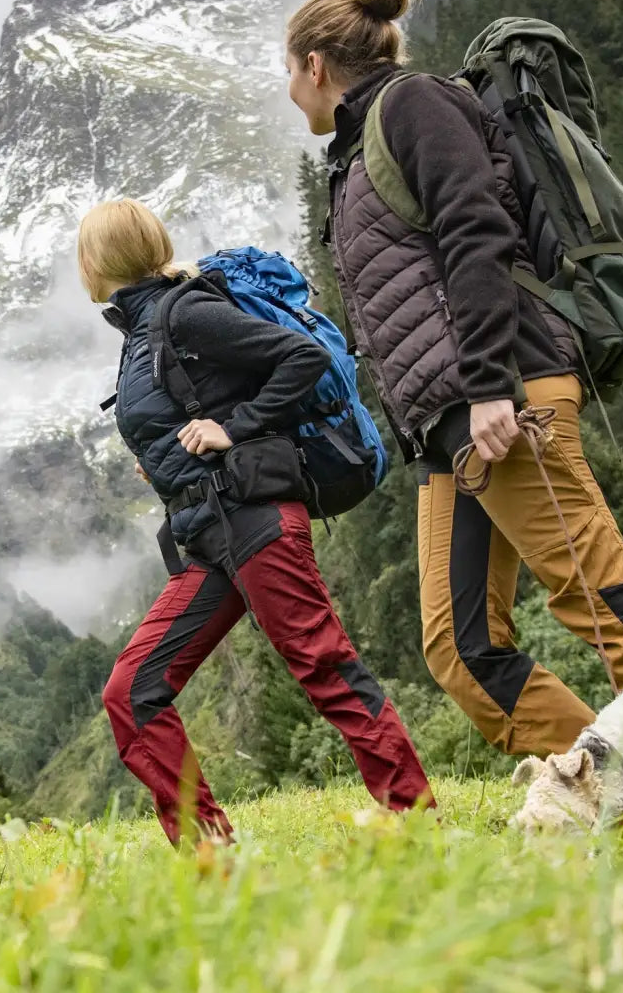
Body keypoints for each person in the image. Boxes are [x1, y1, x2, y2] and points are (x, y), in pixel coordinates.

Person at [284, 0, 623, 759]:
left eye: (289, 73)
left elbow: (476, 233)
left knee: (596, 593)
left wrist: (486, 388)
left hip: (503, 394)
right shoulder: (356, 150)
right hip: (453, 425)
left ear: (314, 65)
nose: (291, 91)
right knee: (461, 648)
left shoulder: (415, 104)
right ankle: (612, 784)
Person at [78, 197, 432, 845]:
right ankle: (210, 854)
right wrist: (166, 459)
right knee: (132, 692)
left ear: (99, 259)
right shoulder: (141, 332)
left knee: (324, 666)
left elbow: (303, 358)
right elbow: (188, 407)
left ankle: (416, 820)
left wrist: (229, 428)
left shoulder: (183, 312)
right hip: (208, 534)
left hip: (256, 520)